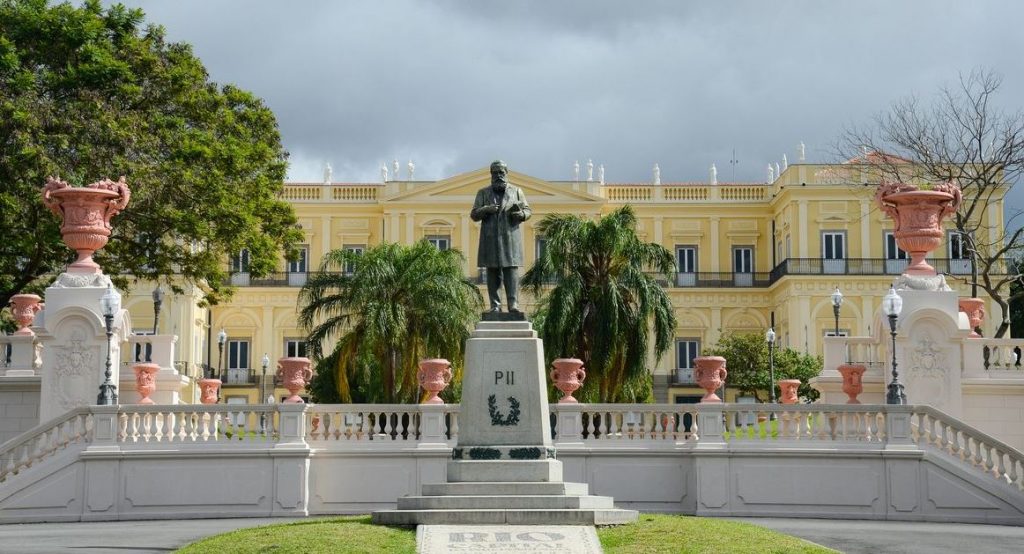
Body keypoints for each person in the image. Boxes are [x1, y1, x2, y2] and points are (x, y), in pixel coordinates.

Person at [471, 160, 531, 315]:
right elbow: (474, 214)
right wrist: (486, 209)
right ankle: (495, 306)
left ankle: (513, 305)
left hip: (510, 238)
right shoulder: (483, 193)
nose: (498, 175)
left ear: (506, 173)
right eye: (495, 172)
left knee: (511, 271)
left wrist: (521, 214)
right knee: (492, 271)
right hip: (490, 239)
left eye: (501, 172)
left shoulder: (517, 191)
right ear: (491, 174)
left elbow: (527, 211)